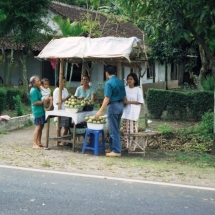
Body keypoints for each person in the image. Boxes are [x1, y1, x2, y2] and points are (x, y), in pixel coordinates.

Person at [95, 65, 126, 157]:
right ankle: (112, 148)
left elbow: (107, 98)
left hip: (113, 106)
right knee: (115, 127)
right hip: (120, 105)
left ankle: (116, 150)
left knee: (113, 129)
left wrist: (100, 110)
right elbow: (124, 96)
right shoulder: (120, 82)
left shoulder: (109, 83)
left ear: (106, 73)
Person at [121, 73, 144, 151]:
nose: (129, 80)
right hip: (125, 111)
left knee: (133, 129)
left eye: (131, 79)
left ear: (134, 80)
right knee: (125, 129)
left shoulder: (138, 89)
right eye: (128, 79)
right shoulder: (125, 88)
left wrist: (129, 102)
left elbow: (140, 101)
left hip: (134, 112)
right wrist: (124, 102)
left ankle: (133, 146)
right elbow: (123, 99)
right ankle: (126, 145)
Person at [53, 76, 70, 146]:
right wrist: (66, 98)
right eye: (63, 81)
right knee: (59, 127)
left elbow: (68, 99)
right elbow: (57, 101)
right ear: (59, 82)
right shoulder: (57, 90)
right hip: (59, 110)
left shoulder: (65, 90)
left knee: (66, 127)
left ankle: (63, 141)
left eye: (65, 81)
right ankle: (59, 140)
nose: (65, 83)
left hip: (66, 110)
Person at [29, 75, 45, 149]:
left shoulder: (38, 89)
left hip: (41, 111)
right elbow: (35, 102)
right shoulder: (33, 90)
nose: (40, 82)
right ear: (33, 83)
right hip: (37, 111)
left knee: (41, 126)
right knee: (38, 126)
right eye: (38, 81)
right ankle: (34, 144)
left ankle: (39, 141)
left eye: (39, 80)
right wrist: (43, 101)